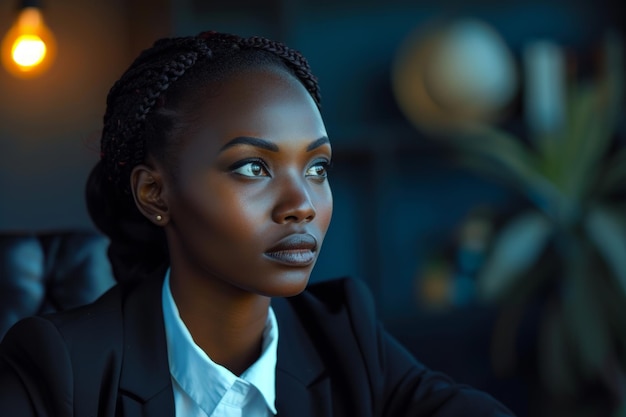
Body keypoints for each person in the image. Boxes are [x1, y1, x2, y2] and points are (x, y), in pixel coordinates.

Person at [0, 30, 515, 416]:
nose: (302, 204)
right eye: (254, 167)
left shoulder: (342, 334)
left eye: (317, 168)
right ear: (154, 193)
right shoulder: (57, 369)